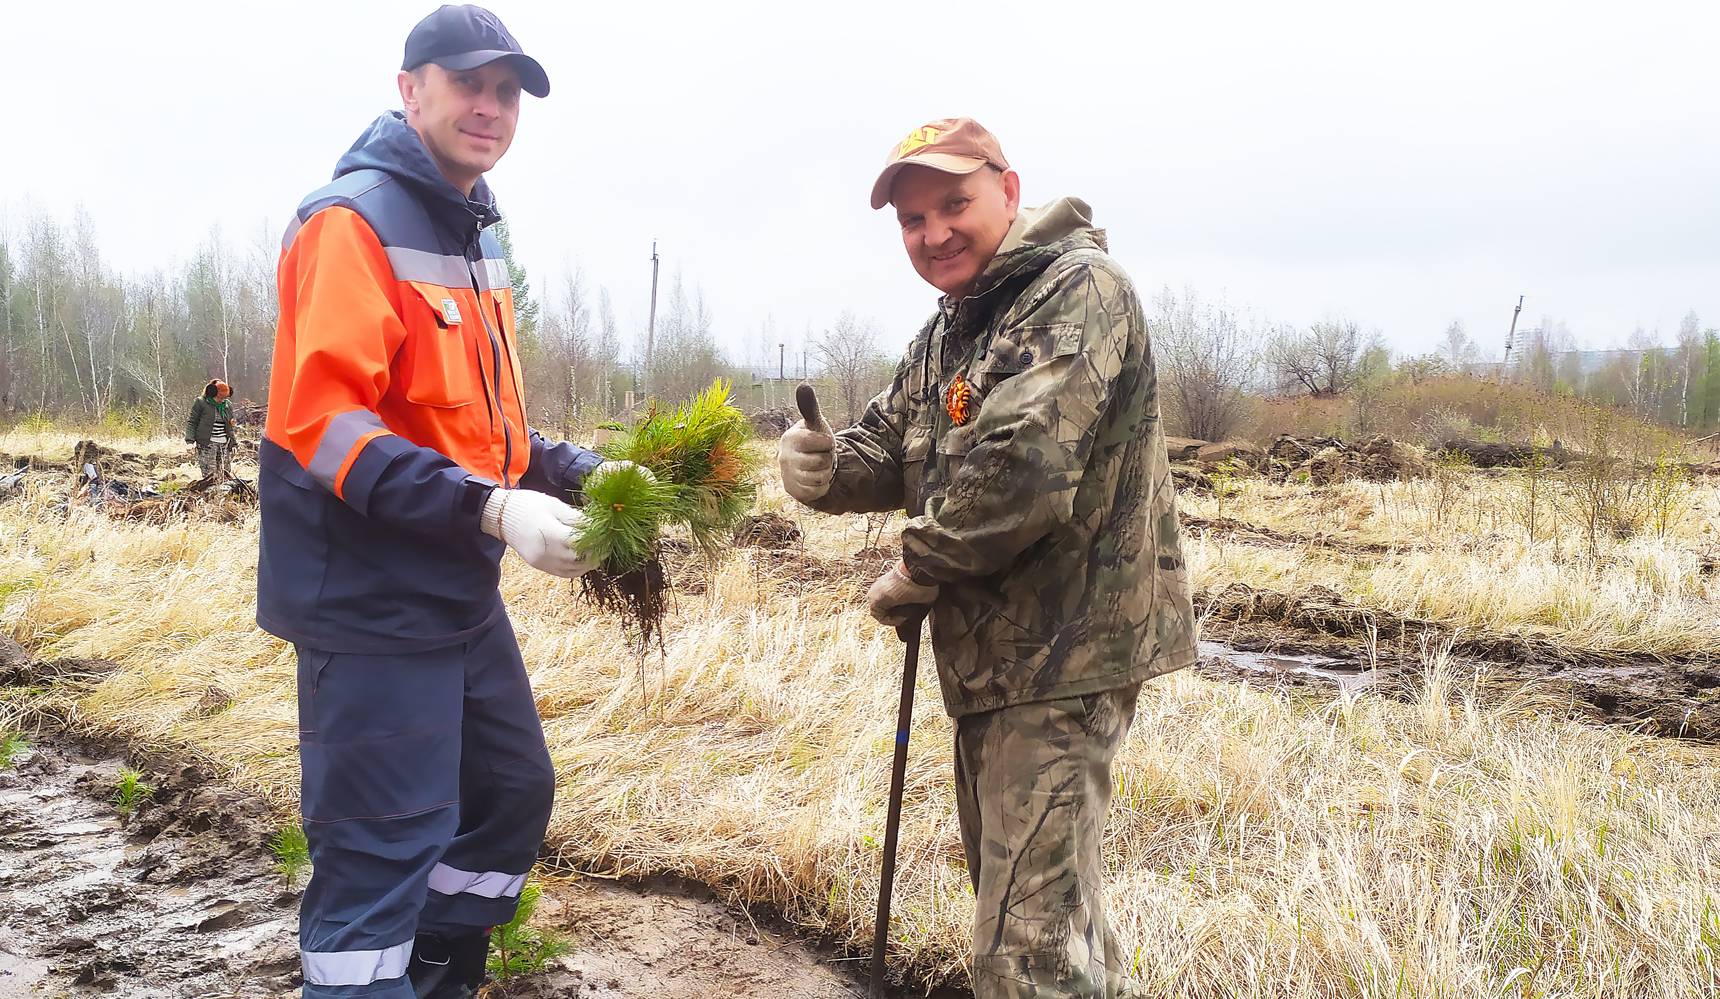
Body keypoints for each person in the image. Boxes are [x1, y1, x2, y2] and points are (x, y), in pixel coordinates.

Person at [256, 7, 641, 997]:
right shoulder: (350, 223)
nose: (490, 107)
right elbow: (327, 426)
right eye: (469, 83)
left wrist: (580, 473)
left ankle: (435, 975)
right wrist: (494, 511)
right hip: (371, 601)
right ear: (409, 88)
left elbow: (485, 429)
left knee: (511, 793)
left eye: (508, 92)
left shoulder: (473, 232)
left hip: (454, 596)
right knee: (385, 851)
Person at [779, 118, 1197, 998]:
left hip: (1064, 654)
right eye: (911, 220)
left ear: (1009, 191)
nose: (933, 234)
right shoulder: (950, 330)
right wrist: (823, 468)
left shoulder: (1080, 289)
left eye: (953, 204)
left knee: (1023, 954)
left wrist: (919, 565)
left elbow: (1024, 465)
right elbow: (889, 446)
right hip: (996, 664)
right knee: (1050, 925)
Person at [185, 379, 237, 481]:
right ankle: (210, 495)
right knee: (209, 476)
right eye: (220, 397)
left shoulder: (227, 405)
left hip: (224, 444)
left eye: (225, 398)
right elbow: (192, 422)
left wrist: (233, 444)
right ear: (212, 393)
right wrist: (190, 441)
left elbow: (229, 427)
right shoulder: (201, 403)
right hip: (206, 444)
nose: (222, 400)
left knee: (225, 475)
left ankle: (223, 495)